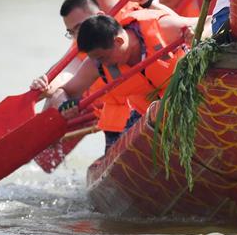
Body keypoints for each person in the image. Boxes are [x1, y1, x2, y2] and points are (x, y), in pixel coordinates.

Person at [31, 11, 188, 153]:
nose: (102, 64)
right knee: (121, 157)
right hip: (147, 115)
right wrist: (64, 105)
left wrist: (194, 34)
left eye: (102, 57)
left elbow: (209, 22)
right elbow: (63, 92)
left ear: (118, 41)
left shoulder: (163, 28)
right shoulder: (96, 64)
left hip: (188, 95)